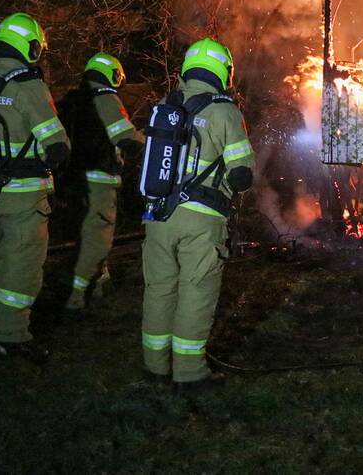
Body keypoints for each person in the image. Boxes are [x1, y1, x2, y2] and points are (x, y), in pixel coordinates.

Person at [141, 38, 254, 390]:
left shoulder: (166, 105)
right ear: (224, 72)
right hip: (200, 221)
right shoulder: (225, 111)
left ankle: (155, 366)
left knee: (159, 289)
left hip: (157, 217)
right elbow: (241, 175)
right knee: (196, 290)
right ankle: (189, 373)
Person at [0, 12, 70, 362]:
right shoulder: (27, 85)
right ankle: (14, 338)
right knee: (21, 270)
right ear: (31, 47)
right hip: (23, 200)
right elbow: (57, 146)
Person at [60, 52, 143, 312]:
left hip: (74, 182)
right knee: (97, 239)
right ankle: (76, 296)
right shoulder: (105, 97)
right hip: (99, 181)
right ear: (113, 74)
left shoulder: (75, 101)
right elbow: (125, 137)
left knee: (83, 237)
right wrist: (151, 137)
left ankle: (95, 286)